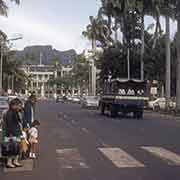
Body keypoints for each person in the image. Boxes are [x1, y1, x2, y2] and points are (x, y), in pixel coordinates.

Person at [2, 98, 23, 168]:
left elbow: (19, 121)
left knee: (17, 148)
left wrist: (19, 112)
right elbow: (9, 124)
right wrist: (10, 134)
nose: (20, 107)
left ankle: (15, 161)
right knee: (12, 148)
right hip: (12, 133)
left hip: (16, 132)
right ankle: (9, 162)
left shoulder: (15, 112)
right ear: (14, 105)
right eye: (19, 105)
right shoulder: (9, 113)